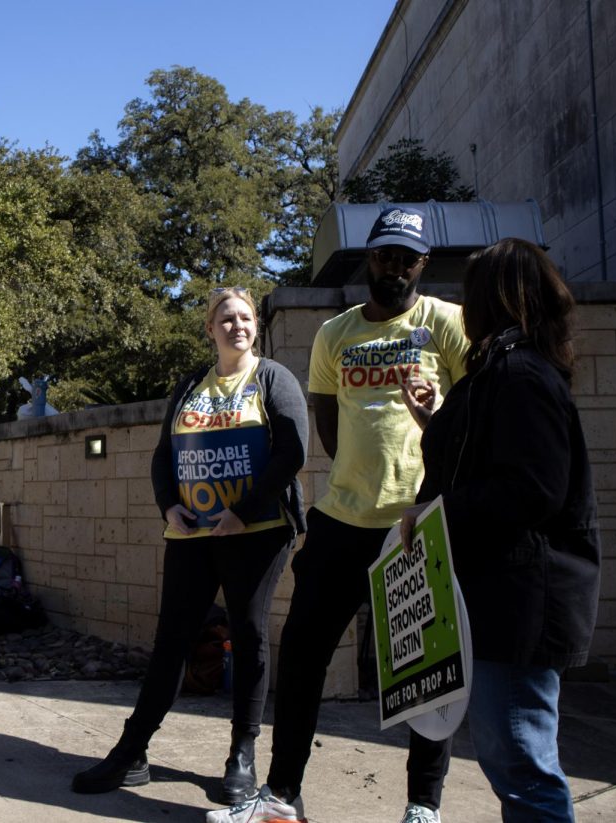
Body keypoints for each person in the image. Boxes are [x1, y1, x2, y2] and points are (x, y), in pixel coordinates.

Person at [220, 206, 469, 823]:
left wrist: (435, 422)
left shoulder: (448, 324)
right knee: (303, 653)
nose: (394, 267)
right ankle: (282, 794)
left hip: (420, 522)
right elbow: (327, 428)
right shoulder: (336, 333)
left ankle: (422, 805)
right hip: (342, 520)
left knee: (426, 668)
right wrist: (362, 479)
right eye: (384, 255)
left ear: (422, 263)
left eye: (406, 258)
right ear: (369, 257)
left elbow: (473, 425)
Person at [73, 285, 309, 807]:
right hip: (189, 534)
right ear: (209, 328)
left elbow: (292, 452)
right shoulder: (188, 387)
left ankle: (241, 755)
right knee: (171, 641)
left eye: (246, 317)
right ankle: (132, 750)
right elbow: (163, 457)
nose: (238, 326)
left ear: (256, 326)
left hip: (257, 532)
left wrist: (240, 511)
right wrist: (167, 506)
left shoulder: (273, 379)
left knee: (248, 636)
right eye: (226, 319)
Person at [400, 239, 599, 822]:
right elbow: (491, 463)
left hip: (519, 605)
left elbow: (533, 488)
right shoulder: (500, 371)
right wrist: (434, 423)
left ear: (491, 299)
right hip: (501, 599)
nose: (460, 309)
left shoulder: (520, 375)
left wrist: (435, 514)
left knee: (522, 767)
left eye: (469, 294)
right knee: (514, 763)